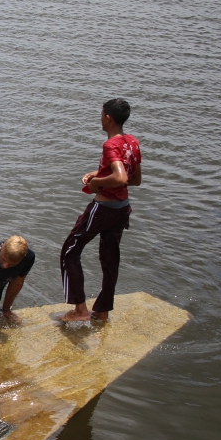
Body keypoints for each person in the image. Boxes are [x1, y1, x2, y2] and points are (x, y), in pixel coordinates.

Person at [59, 98, 141, 322]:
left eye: (101, 115)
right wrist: (100, 173)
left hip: (104, 208)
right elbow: (134, 179)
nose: (100, 118)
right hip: (122, 209)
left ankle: (80, 310)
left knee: (69, 252)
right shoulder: (132, 142)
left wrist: (96, 183)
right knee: (110, 258)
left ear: (108, 118)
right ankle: (103, 310)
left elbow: (121, 177)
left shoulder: (111, 145)